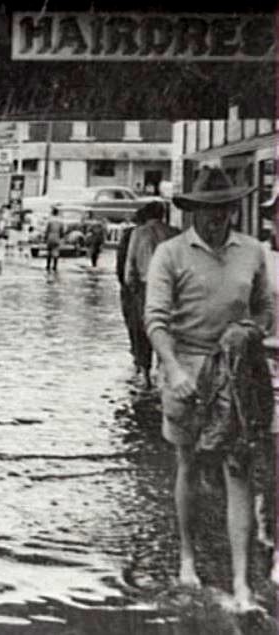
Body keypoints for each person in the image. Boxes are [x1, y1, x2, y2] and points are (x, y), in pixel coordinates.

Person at [144, 166, 273, 610]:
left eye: (226, 211)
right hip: (187, 367)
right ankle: (187, 558)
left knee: (238, 468)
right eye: (209, 211)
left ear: (235, 209)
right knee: (189, 462)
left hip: (236, 371)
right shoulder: (170, 254)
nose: (219, 219)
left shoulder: (253, 251)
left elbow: (264, 310)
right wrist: (173, 369)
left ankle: (241, 583)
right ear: (193, 211)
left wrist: (249, 332)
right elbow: (155, 320)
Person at [125, 201, 179, 386]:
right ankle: (165, 370)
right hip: (172, 288)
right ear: (163, 215)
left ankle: (146, 376)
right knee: (168, 329)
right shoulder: (174, 233)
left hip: (145, 287)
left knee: (143, 330)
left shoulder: (138, 233)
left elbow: (129, 267)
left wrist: (132, 289)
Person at [117, 207, 148, 364]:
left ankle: (140, 362)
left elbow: (122, 263)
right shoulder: (171, 232)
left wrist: (125, 285)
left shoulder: (131, 234)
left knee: (136, 325)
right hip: (159, 287)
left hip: (136, 288)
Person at [43, 206, 65, 272]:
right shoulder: (60, 221)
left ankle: (48, 265)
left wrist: (45, 237)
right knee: (56, 252)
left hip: (50, 236)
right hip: (57, 236)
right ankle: (55, 266)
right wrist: (61, 237)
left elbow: (47, 230)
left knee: (49, 252)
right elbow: (62, 232)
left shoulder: (50, 220)